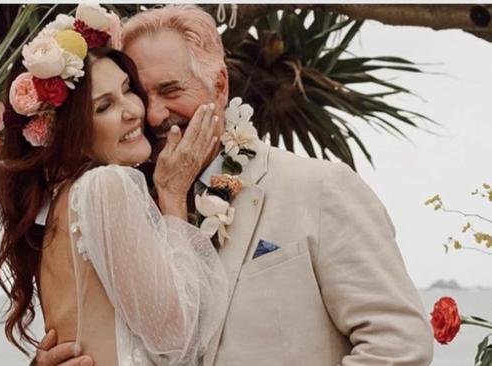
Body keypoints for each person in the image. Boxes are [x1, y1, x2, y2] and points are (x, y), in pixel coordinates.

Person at [35, 5, 434, 366]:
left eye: (170, 90)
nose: (153, 114)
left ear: (220, 85)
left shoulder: (320, 188)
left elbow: (398, 346)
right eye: (140, 93)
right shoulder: (125, 204)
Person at [0, 9, 229, 366]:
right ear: (71, 131)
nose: (134, 111)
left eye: (127, 89)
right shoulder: (106, 185)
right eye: (104, 106)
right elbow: (176, 338)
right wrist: (174, 196)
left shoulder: (61, 202)